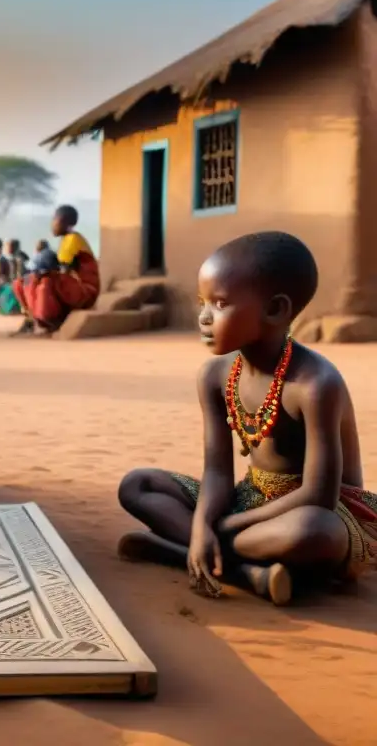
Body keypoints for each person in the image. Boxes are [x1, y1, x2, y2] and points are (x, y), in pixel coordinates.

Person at [115, 232, 376, 605]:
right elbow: (218, 472)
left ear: (275, 310)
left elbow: (319, 494)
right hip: (248, 500)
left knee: (310, 532)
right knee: (138, 485)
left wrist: (217, 527)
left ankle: (182, 551)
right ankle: (246, 571)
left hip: (323, 511)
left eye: (220, 304)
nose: (204, 317)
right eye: (202, 302)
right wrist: (205, 521)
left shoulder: (315, 383)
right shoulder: (215, 376)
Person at [12, 206, 100, 336]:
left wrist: (39, 274)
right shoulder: (66, 241)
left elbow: (61, 271)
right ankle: (32, 319)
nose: (52, 224)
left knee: (46, 282)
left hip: (86, 290)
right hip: (71, 287)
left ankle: (49, 322)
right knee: (20, 283)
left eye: (55, 219)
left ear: (65, 221)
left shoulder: (73, 239)